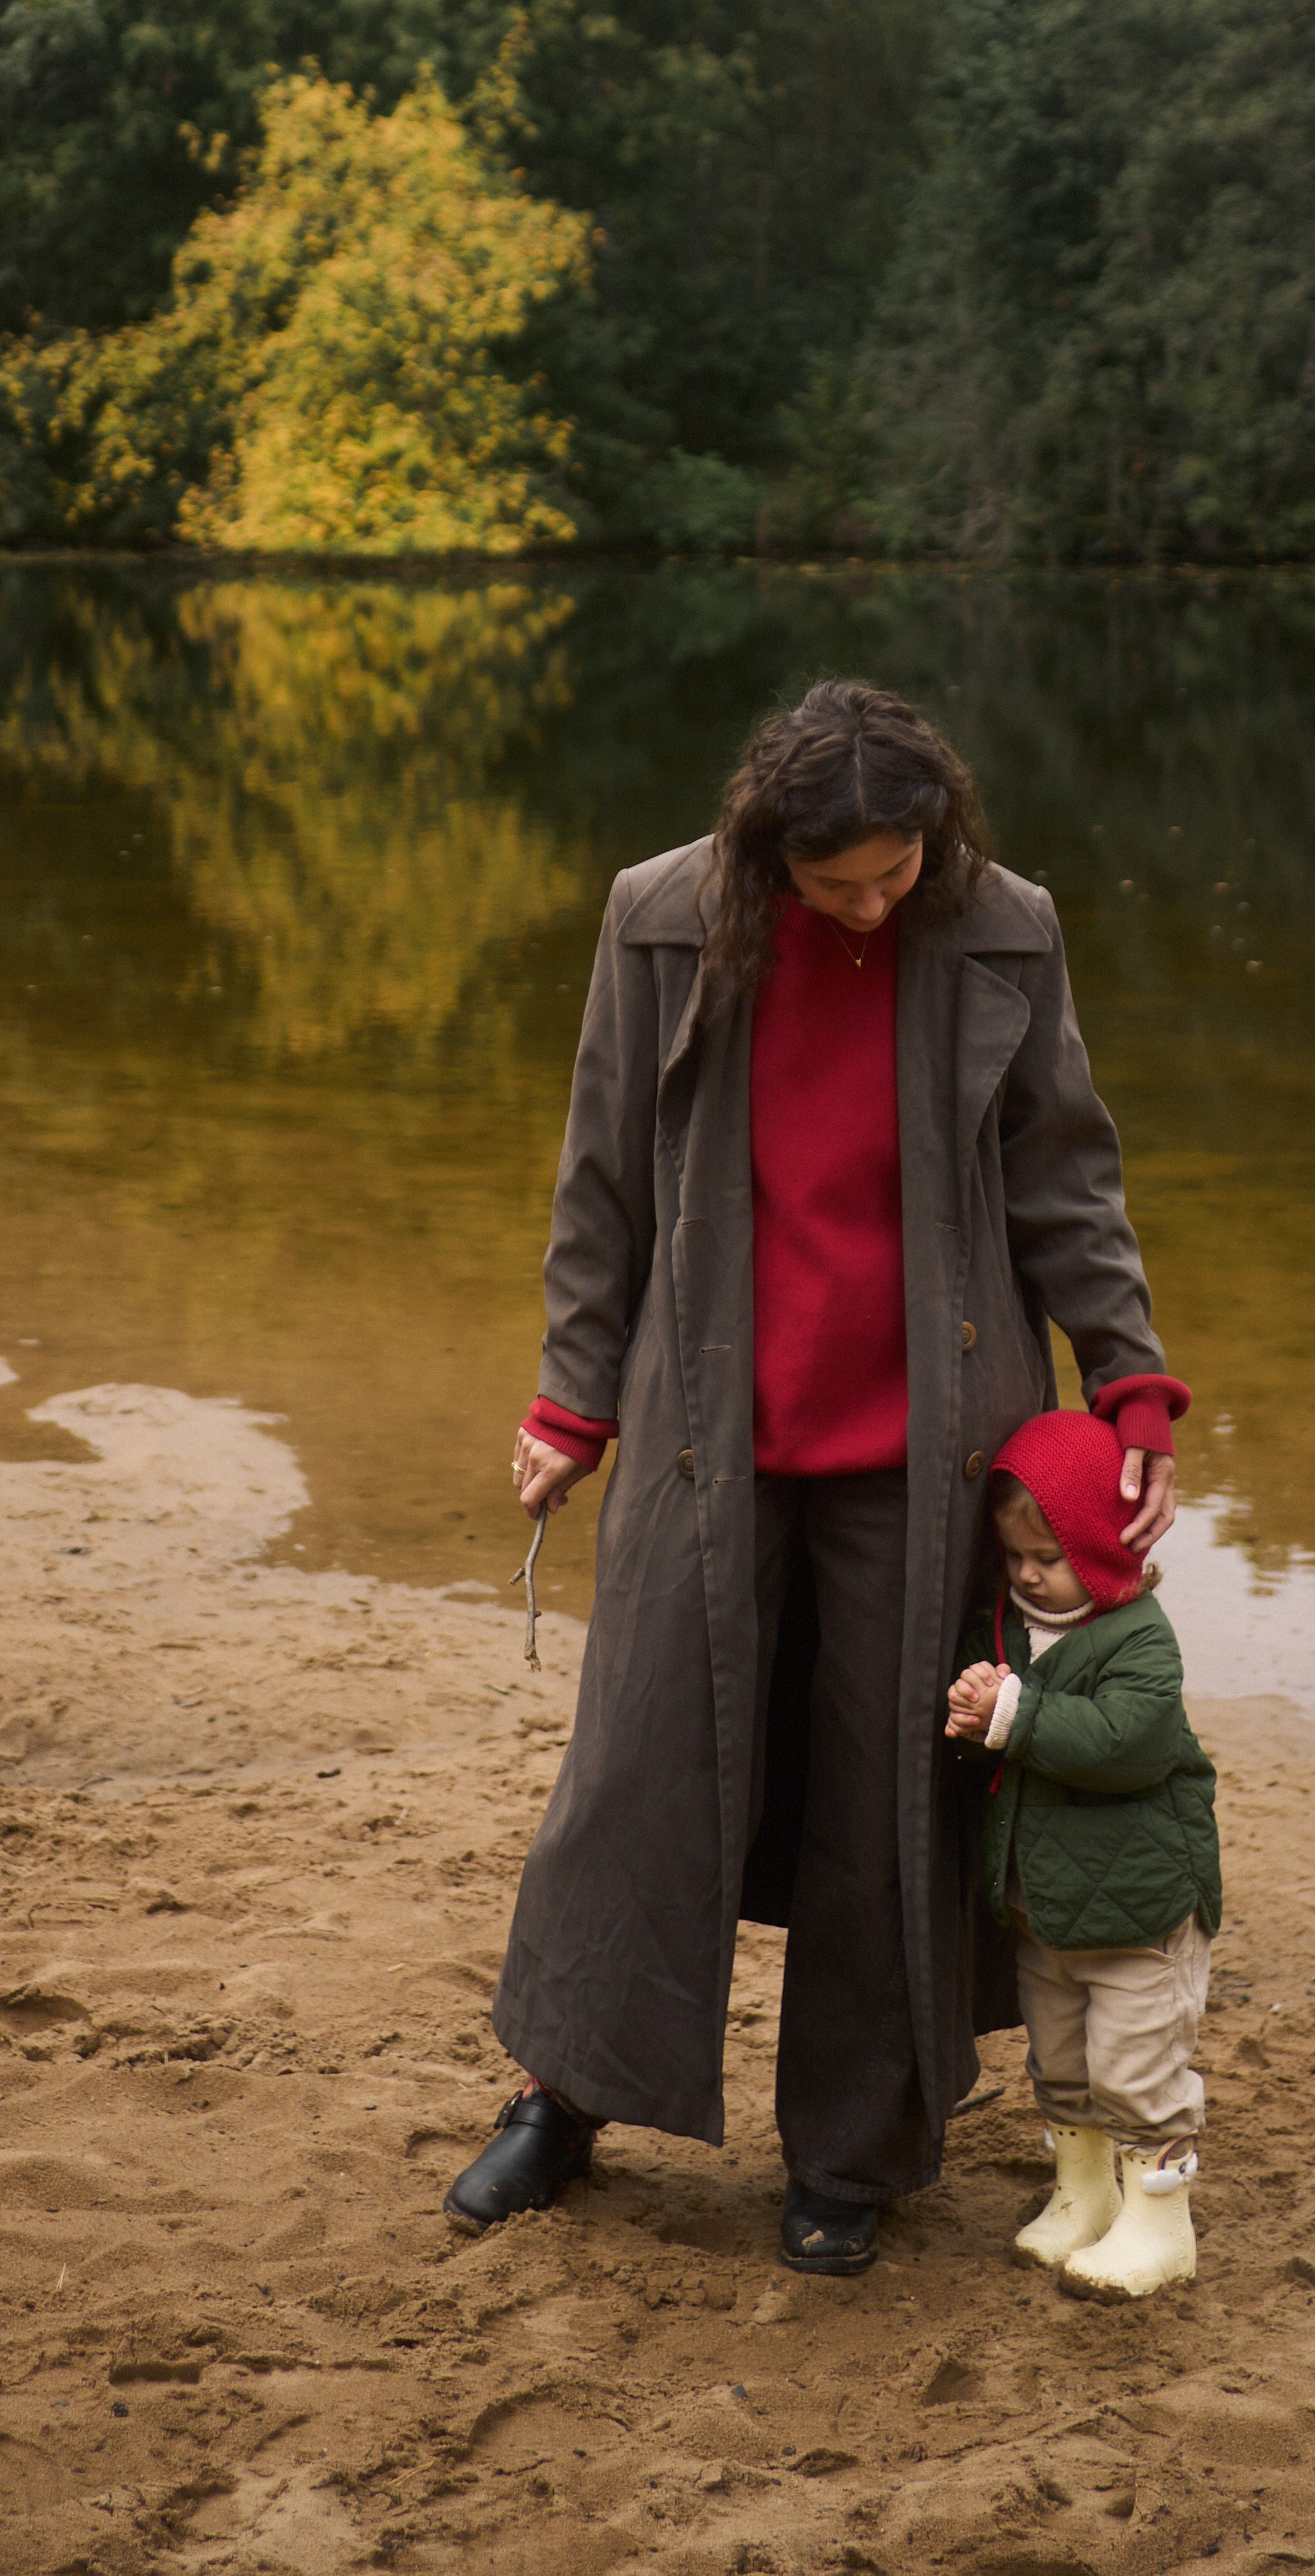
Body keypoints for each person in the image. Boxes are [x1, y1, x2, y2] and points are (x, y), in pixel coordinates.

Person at [442, 679, 1190, 2273]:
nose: (866, 903)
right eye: (831, 879)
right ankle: (561, 2096)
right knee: (636, 1772)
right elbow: (601, 1179)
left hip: (932, 1451)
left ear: (938, 833)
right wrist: (572, 1397)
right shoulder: (660, 918)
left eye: (893, 871)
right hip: (703, 1424)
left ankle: (848, 2155)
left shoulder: (1000, 926)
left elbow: (1065, 1177)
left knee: (889, 1798)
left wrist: (1127, 1385)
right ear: (762, 848)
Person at [946, 1411, 1219, 2299]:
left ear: (1105, 1546)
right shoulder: (1008, 1626)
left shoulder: (1138, 1635)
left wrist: (1013, 1713)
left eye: (1049, 1556)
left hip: (1141, 1910)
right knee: (1061, 2062)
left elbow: (1120, 1742)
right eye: (1014, 1554)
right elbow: (998, 1725)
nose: (1028, 1572)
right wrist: (973, 1705)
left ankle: (1160, 2225)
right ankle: (1084, 2192)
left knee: (1137, 2070)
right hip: (1049, 1906)